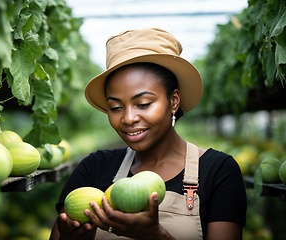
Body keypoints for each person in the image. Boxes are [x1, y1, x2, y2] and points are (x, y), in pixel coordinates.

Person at [50, 28, 247, 240]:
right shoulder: (94, 168)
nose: (128, 118)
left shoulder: (219, 171)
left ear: (173, 101)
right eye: (115, 107)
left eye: (143, 104)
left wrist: (156, 236)